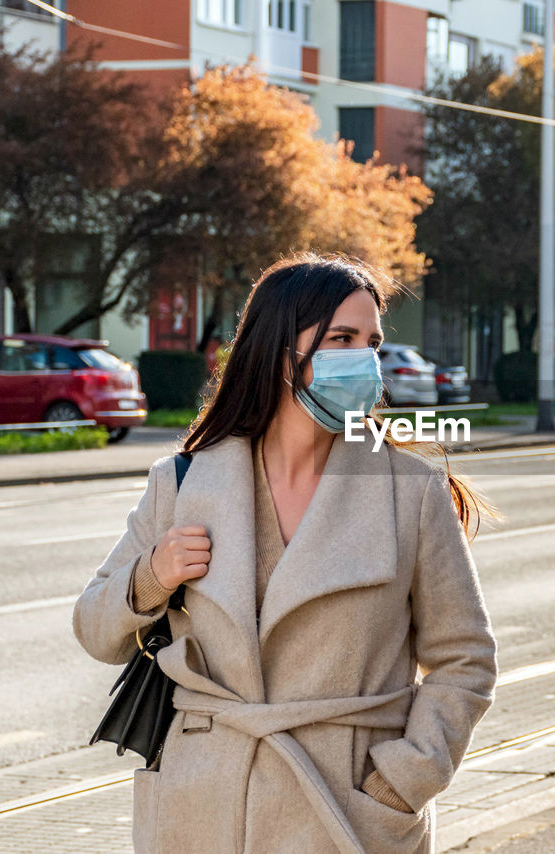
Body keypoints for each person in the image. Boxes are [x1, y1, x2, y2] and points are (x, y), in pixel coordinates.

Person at [74, 255, 497, 854]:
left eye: (371, 343)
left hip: (346, 812)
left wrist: (400, 783)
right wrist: (153, 575)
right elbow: (95, 629)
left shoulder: (410, 493)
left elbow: (465, 661)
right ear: (278, 350)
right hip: (201, 808)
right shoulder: (184, 483)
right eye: (340, 339)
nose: (364, 360)